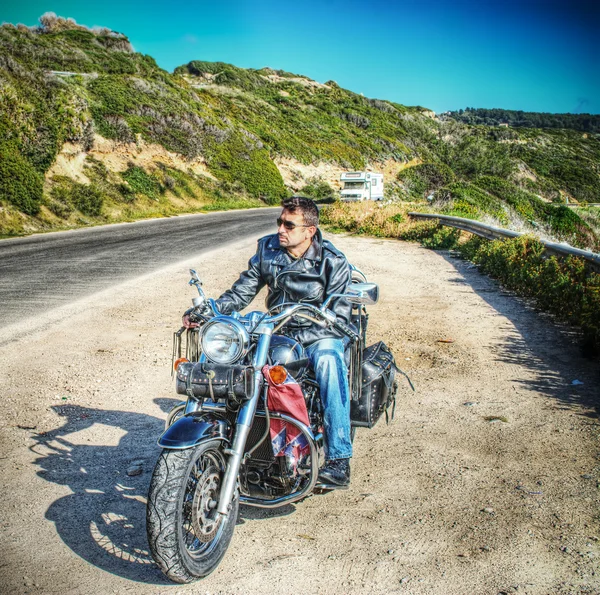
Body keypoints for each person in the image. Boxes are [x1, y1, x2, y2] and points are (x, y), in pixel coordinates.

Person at [184, 196, 353, 487]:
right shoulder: (268, 249)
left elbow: (339, 316)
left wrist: (306, 332)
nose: (280, 229)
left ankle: (339, 458)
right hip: (276, 326)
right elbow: (241, 292)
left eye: (289, 224)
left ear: (309, 230)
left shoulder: (332, 261)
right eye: (279, 222)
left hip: (317, 333)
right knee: (227, 351)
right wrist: (209, 311)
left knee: (328, 360)